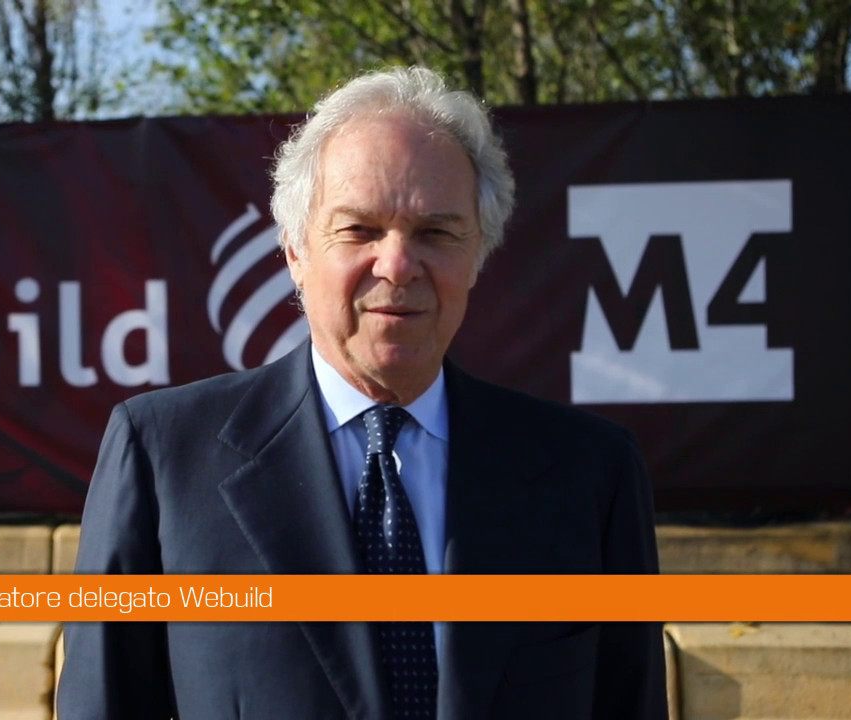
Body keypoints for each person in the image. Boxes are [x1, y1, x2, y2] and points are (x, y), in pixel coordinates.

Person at [58, 66, 666, 720]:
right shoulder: (164, 458)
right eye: (359, 230)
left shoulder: (590, 473)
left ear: (478, 255)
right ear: (296, 251)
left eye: (436, 232)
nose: (397, 265)